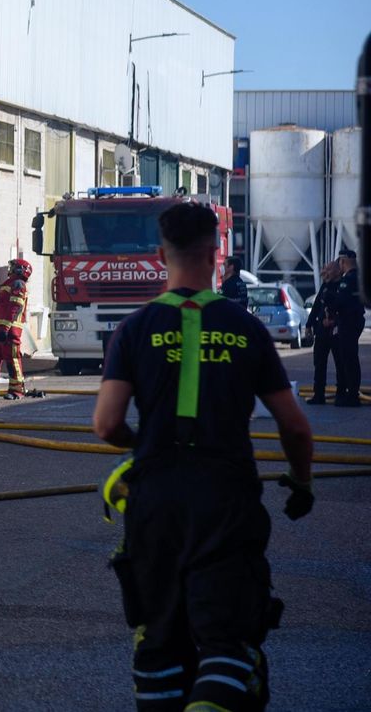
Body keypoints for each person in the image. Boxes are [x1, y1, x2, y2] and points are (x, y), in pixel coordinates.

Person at [93, 202, 314, 711]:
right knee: (229, 641)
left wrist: (142, 448)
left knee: (159, 645)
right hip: (226, 497)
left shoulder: (134, 329)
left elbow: (106, 424)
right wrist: (301, 484)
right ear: (216, 252)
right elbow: (295, 427)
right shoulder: (245, 328)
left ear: (159, 254)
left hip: (155, 502)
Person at [0, 258, 43, 399]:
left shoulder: (18, 284)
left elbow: (14, 307)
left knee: (12, 360)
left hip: (9, 331)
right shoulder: (9, 284)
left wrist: (5, 327)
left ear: (20, 270)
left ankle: (16, 391)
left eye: (12, 266)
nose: (9, 269)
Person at [325, 249, 363, 407]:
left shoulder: (347, 280)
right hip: (353, 320)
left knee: (349, 359)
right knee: (351, 358)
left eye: (339, 262)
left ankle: (352, 395)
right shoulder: (358, 278)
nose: (338, 265)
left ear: (343, 262)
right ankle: (352, 392)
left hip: (348, 322)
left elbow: (341, 302)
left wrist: (328, 297)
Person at [305, 260, 340, 407]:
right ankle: (318, 394)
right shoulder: (325, 286)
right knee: (319, 363)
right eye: (324, 269)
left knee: (341, 363)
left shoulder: (342, 286)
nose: (325, 272)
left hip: (336, 332)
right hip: (322, 331)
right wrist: (308, 325)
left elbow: (348, 309)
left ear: (338, 271)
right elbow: (317, 306)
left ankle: (342, 394)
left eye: (329, 270)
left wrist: (335, 321)